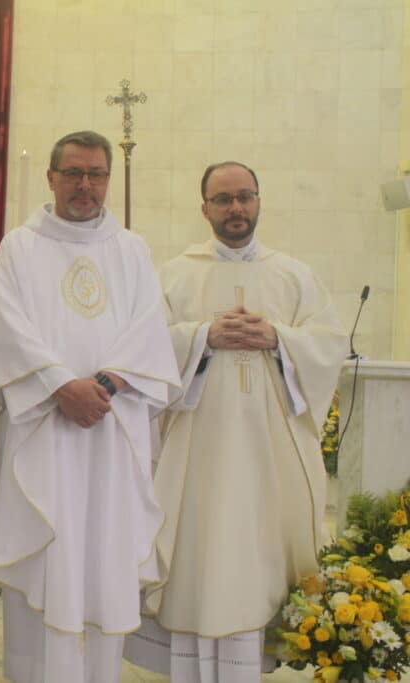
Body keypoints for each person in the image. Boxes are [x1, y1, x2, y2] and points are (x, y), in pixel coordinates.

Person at [124, 161, 347, 682]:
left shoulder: (293, 275)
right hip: (196, 454)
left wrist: (279, 339)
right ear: (204, 208)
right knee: (198, 559)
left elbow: (329, 344)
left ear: (259, 201)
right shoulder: (174, 275)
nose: (236, 208)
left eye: (245, 196)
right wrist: (202, 336)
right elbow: (143, 347)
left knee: (263, 557)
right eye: (223, 199)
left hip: (272, 455)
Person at [0, 130, 179, 683]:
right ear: (51, 178)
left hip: (111, 434)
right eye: (73, 173)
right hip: (45, 430)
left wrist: (106, 385)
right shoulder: (19, 247)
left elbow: (150, 329)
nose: (85, 185)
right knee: (50, 558)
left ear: (108, 179)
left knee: (102, 560)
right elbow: (5, 327)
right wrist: (60, 387)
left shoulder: (131, 249)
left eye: (95, 174)